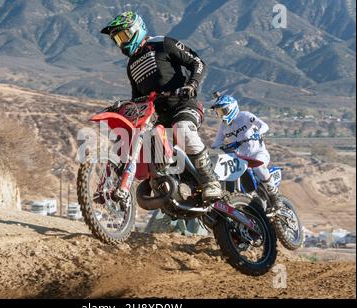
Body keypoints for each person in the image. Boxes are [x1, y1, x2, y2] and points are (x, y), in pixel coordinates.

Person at [101, 11, 222, 201]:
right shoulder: (131, 65)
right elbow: (137, 99)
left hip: (184, 106)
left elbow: (197, 62)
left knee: (181, 130)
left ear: (137, 29)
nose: (121, 43)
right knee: (145, 144)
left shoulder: (163, 43)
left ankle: (210, 181)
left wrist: (191, 85)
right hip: (159, 118)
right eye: (117, 39)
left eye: (123, 36)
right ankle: (168, 186)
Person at [210, 95, 283, 209]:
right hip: (242, 159)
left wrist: (258, 132)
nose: (222, 115)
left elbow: (264, 125)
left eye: (223, 111)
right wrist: (211, 151)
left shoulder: (245, 116)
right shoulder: (223, 126)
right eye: (219, 112)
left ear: (232, 107)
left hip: (258, 153)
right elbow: (216, 144)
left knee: (258, 168)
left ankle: (275, 196)